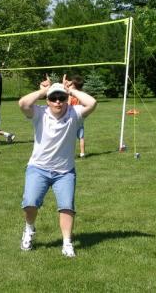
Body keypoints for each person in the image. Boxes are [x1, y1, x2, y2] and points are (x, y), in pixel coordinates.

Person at [18, 74, 97, 257]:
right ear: (48, 101)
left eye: (61, 98)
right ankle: (29, 230)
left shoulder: (74, 113)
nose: (58, 102)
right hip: (38, 168)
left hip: (64, 172)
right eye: (53, 98)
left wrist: (71, 90)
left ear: (67, 99)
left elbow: (92, 103)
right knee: (30, 204)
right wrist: (43, 91)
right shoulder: (39, 113)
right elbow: (23, 104)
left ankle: (67, 243)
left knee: (67, 206)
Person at [67, 75, 85, 158]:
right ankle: (82, 153)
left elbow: (69, 104)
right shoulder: (82, 93)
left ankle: (70, 154)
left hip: (73, 114)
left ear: (74, 85)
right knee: (81, 136)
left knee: (70, 136)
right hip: (80, 115)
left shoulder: (71, 94)